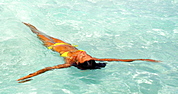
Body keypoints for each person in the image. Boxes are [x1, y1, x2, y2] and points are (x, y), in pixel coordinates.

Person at [18, 23, 160, 83]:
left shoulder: (69, 62)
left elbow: (47, 69)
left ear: (78, 63)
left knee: (37, 32)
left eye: (84, 57)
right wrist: (144, 59)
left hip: (52, 45)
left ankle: (24, 24)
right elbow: (118, 60)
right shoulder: (92, 59)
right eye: (87, 55)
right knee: (44, 31)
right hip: (65, 43)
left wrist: (29, 76)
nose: (84, 53)